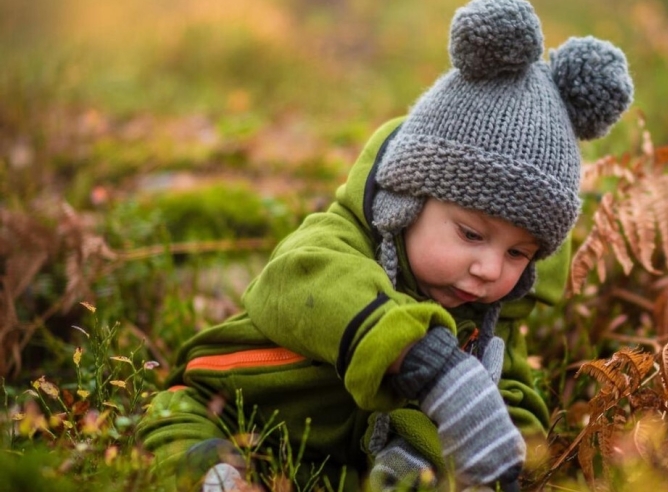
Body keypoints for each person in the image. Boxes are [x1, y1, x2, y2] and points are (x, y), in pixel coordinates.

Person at [137, 0, 633, 490]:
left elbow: (514, 402)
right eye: (471, 234)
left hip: (331, 465)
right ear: (407, 201)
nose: (488, 268)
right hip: (229, 403)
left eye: (517, 253)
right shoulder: (339, 242)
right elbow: (295, 281)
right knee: (183, 426)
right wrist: (425, 361)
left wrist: (468, 453)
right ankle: (216, 478)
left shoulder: (489, 318)